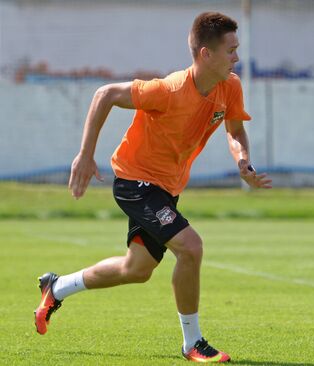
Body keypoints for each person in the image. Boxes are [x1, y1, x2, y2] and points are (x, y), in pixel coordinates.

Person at [34, 12, 271, 363]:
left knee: (137, 270)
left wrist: (243, 162)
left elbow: (234, 131)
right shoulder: (169, 89)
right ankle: (193, 343)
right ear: (206, 54)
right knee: (191, 248)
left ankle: (57, 287)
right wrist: (85, 155)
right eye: (231, 50)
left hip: (166, 188)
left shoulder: (230, 86)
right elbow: (105, 93)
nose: (237, 56)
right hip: (135, 181)